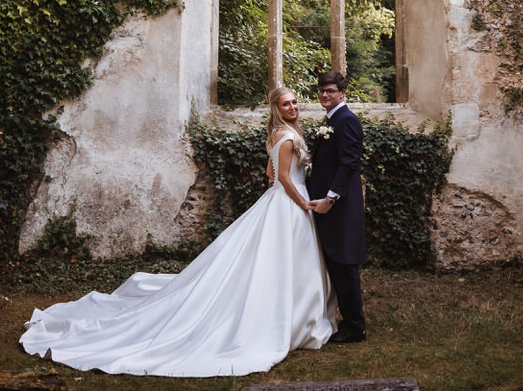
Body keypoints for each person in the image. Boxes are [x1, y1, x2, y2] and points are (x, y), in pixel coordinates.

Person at [19, 87, 335, 376]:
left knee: (276, 260)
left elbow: (268, 171)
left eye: (294, 101)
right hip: (291, 203)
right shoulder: (288, 136)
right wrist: (304, 204)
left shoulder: (277, 134)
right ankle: (293, 318)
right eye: (286, 103)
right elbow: (280, 177)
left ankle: (293, 314)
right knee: (283, 258)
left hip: (281, 203)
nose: (293, 106)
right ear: (276, 108)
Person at [307, 69, 367, 343]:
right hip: (328, 206)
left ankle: (355, 326)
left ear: (343, 93)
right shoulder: (333, 119)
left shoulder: (346, 121)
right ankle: (347, 320)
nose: (324, 95)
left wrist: (330, 199)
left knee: (344, 264)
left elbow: (349, 164)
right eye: (321, 90)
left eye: (330, 91)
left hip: (339, 207)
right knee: (336, 262)